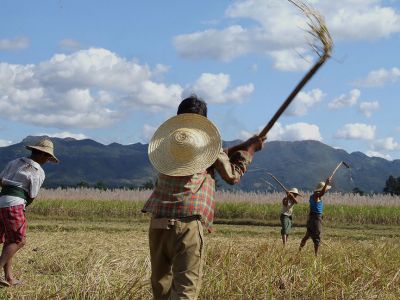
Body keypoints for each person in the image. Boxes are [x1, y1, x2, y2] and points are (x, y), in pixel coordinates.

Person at [142, 95, 265, 300]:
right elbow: (232, 176)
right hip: (187, 223)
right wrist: (249, 150)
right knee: (185, 292)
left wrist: (243, 144)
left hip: (158, 222)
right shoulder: (208, 147)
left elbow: (212, 157)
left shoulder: (168, 145)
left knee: (160, 288)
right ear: (203, 123)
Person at [0, 138, 58, 286]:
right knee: (18, 240)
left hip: (1, 201)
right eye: (47, 157)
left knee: (9, 240)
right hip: (15, 204)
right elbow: (32, 195)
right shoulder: (38, 171)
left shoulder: (14, 162)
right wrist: (22, 206)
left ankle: (9, 277)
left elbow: (1, 180)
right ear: (43, 155)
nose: (47, 160)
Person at [299, 177, 332, 256]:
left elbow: (321, 194)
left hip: (314, 218)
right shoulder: (316, 195)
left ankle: (299, 250)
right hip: (315, 219)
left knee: (307, 235)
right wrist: (326, 184)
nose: (326, 190)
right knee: (317, 235)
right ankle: (316, 255)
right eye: (325, 189)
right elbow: (321, 193)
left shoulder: (316, 196)